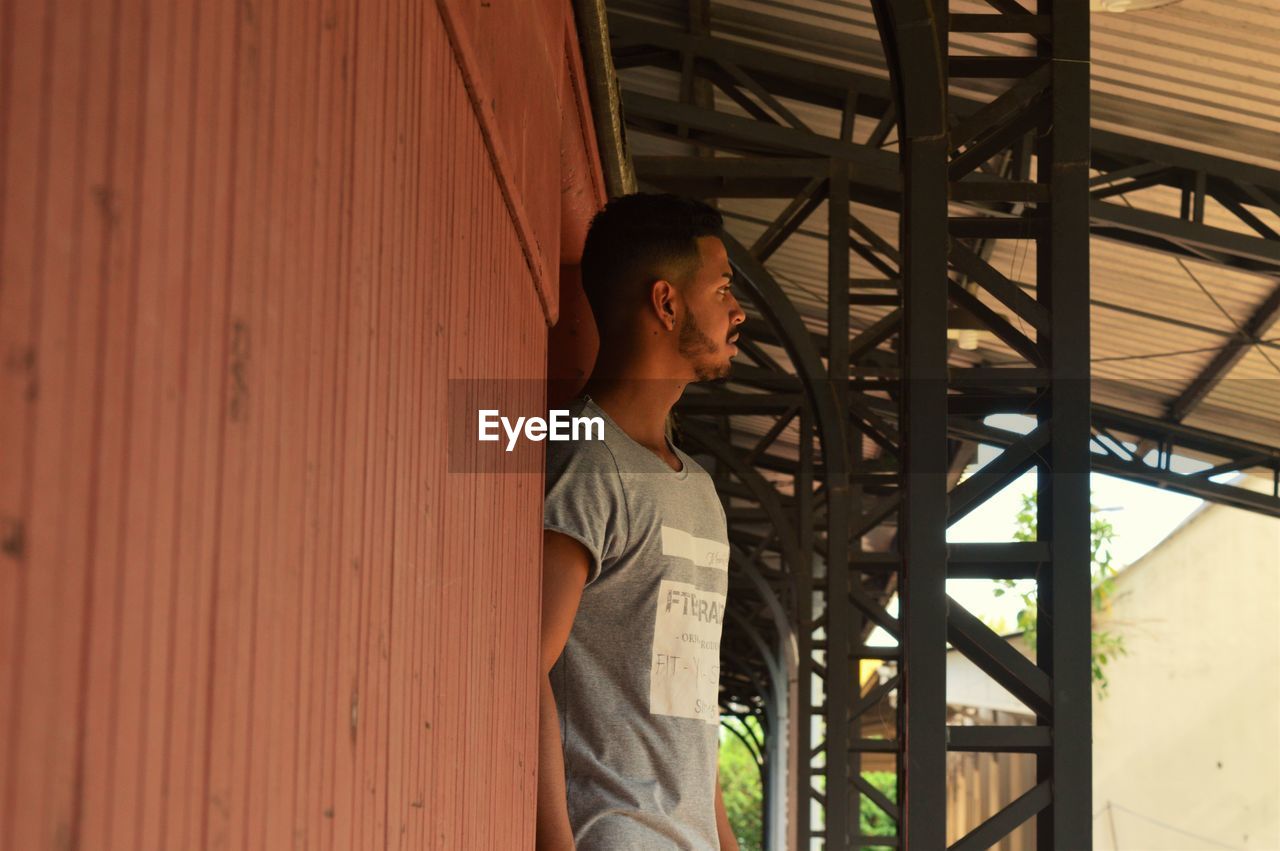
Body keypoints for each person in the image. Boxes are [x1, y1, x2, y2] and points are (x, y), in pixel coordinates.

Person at [538, 194, 746, 850]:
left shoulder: (701, 491)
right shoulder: (585, 457)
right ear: (666, 303)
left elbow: (689, 708)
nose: (737, 311)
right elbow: (525, 669)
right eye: (721, 290)